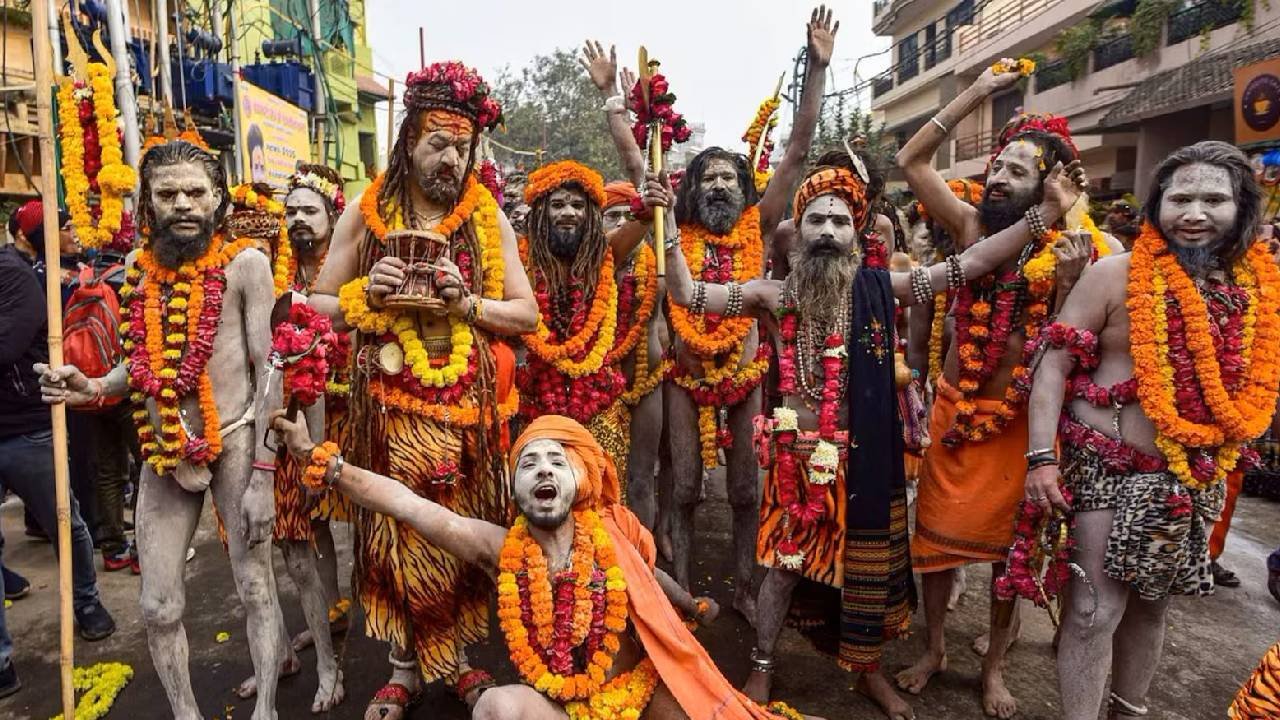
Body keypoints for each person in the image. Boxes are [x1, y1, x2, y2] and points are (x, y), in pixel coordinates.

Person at [662, 157, 1084, 720]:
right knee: (783, 571)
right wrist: (665, 222)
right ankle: (763, 663)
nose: (829, 232)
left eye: (841, 221)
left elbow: (972, 262)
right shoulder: (772, 297)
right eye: (817, 220)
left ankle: (866, 671)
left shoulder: (885, 290)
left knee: (866, 574)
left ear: (859, 234)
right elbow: (688, 295)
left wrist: (1046, 214)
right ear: (797, 233)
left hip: (864, 462)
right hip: (795, 462)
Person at [271, 409, 818, 720]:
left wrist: (689, 606)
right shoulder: (497, 549)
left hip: (636, 696)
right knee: (495, 709)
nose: (543, 470)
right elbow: (409, 505)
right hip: (566, 712)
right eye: (528, 463)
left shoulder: (610, 535)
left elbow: (652, 583)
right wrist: (322, 461)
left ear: (581, 478)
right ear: (516, 490)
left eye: (557, 460)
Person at [307, 60, 538, 718]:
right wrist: (362, 293)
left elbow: (525, 315)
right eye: (438, 143)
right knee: (397, 540)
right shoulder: (368, 209)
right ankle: (405, 668)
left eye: (462, 147)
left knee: (459, 537)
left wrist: (469, 307)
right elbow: (317, 304)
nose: (451, 158)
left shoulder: (485, 215)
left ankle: (458, 662)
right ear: (408, 139)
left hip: (464, 409)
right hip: (387, 409)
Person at [1024, 141, 1280, 720]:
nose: (1194, 213)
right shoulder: (1114, 275)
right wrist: (1040, 459)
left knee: (1152, 606)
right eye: (1179, 197)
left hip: (1191, 477)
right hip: (1106, 471)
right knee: (1092, 612)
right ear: (1156, 205)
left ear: (1242, 208)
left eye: (1213, 199)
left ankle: (1128, 711)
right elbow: (1053, 366)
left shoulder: (1259, 290)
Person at [893, 63, 1118, 718]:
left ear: (1050, 184)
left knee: (1007, 563)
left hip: (1021, 425)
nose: (998, 177)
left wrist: (1073, 281)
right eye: (999, 165)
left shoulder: (1082, 246)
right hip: (956, 415)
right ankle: (935, 647)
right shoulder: (969, 229)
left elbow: (1075, 347)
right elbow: (911, 159)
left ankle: (993, 666)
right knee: (934, 547)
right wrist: (979, 92)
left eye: (1018, 170)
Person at [38, 140, 286, 720]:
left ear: (218, 199)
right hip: (163, 450)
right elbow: (145, 365)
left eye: (195, 192)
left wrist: (264, 477)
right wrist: (95, 386)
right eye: (167, 193)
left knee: (255, 588)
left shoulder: (246, 266)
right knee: (157, 606)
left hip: (237, 441)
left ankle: (268, 709)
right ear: (147, 202)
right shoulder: (136, 273)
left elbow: (269, 368)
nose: (182, 204)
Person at [661, 7, 838, 623]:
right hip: (682, 374)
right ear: (692, 190)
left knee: (743, 491)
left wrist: (816, 68)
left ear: (747, 189)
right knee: (683, 487)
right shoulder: (672, 229)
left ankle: (743, 585)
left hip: (745, 376)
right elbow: (639, 173)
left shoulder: (758, 227)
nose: (717, 186)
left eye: (729, 178)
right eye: (706, 177)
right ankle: (680, 589)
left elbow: (798, 144)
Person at [229, 166, 348, 712]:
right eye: (292, 210)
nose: (298, 219)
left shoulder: (347, 267)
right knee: (270, 555)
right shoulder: (266, 274)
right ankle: (278, 650)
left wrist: (314, 451)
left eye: (310, 210)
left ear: (332, 217)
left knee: (330, 536)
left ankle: (340, 644)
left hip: (332, 415)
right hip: (266, 428)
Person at [0, 202, 117, 700]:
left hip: (26, 429)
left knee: (65, 523)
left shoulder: (14, 275)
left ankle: (87, 602)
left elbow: (8, 345)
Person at [513, 160, 654, 475]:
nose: (568, 212)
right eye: (558, 205)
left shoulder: (604, 256)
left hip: (598, 400)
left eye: (577, 205)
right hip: (536, 402)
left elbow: (640, 222)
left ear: (590, 216)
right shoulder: (521, 261)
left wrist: (648, 203)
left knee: (603, 497)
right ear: (541, 213)